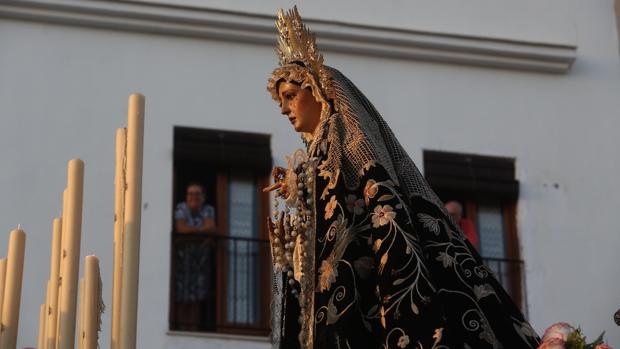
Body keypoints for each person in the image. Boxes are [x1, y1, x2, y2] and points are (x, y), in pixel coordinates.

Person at [265, 7, 540, 349]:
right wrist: (298, 184)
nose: (284, 108)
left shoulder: (345, 135)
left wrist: (305, 181)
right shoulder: (319, 147)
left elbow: (356, 190)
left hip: (364, 275)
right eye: (281, 101)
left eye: (290, 96)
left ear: (318, 90)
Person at [173, 182, 216, 330]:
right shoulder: (181, 208)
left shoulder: (209, 210)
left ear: (203, 197)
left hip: (200, 265)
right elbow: (180, 228)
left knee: (196, 299)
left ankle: (193, 329)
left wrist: (189, 233)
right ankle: (181, 328)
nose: (194, 197)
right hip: (182, 264)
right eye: (191, 194)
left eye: (197, 194)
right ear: (186, 196)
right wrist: (202, 234)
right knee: (181, 298)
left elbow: (211, 227)